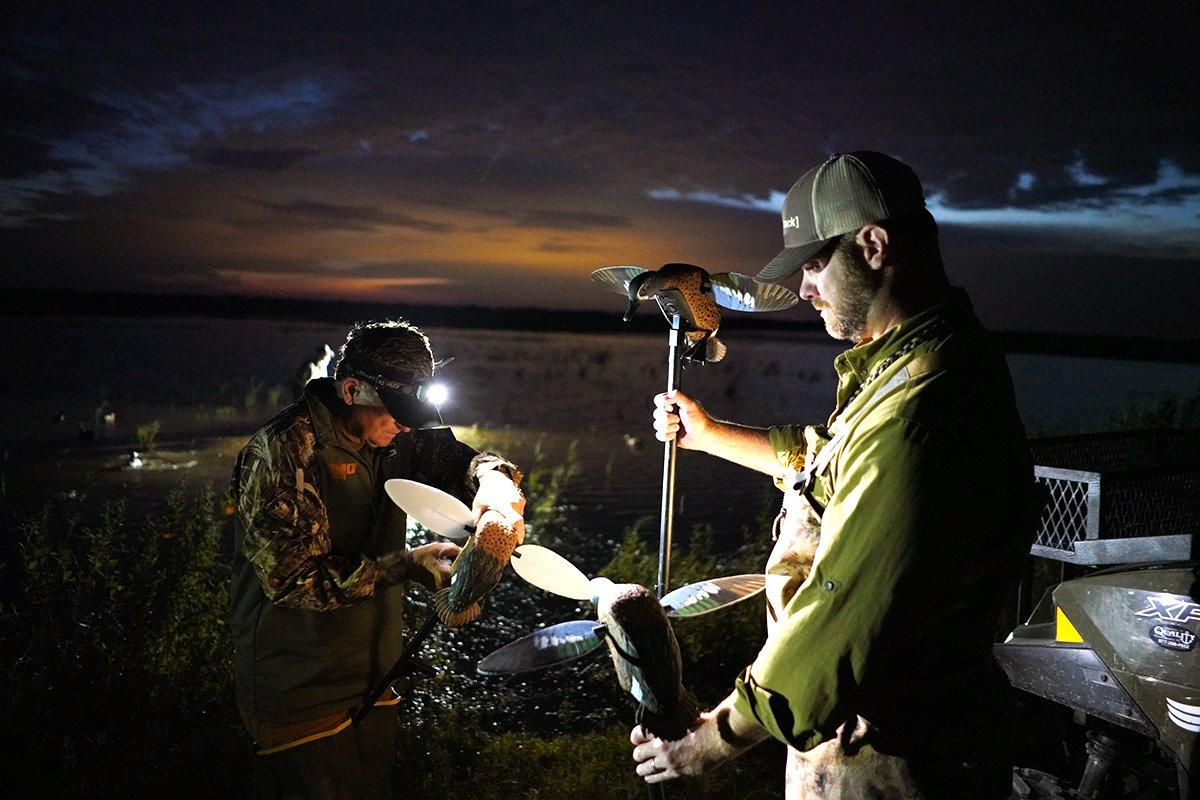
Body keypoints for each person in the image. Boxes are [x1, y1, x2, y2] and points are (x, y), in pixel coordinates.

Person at [630, 152, 1035, 799]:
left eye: (815, 265)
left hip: (896, 762)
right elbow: (826, 462)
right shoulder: (913, 370)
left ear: (873, 245)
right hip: (877, 743)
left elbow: (839, 612)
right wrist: (709, 435)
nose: (806, 290)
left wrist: (710, 740)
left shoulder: (924, 410)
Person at [231, 319, 525, 799]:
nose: (407, 425)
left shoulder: (394, 433)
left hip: (375, 678)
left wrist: (495, 483)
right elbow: (293, 582)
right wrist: (407, 566)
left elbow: (459, 462)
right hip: (298, 692)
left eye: (414, 412)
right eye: (396, 412)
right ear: (351, 389)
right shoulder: (284, 449)